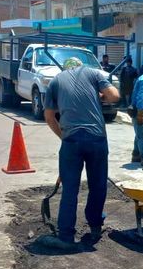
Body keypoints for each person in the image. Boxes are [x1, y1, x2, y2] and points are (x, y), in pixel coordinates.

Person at [43, 57, 120, 249]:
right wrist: (99, 96)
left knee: (70, 189)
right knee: (98, 185)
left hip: (71, 141)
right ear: (80, 66)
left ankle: (66, 236)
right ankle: (95, 226)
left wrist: (64, 137)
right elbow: (114, 96)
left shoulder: (56, 81)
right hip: (97, 139)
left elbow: (49, 117)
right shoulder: (93, 73)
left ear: (66, 68)